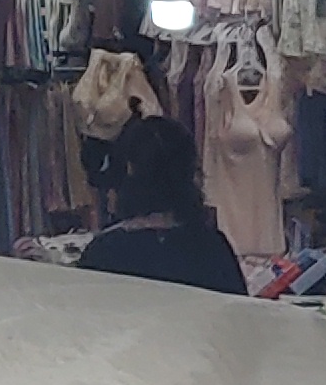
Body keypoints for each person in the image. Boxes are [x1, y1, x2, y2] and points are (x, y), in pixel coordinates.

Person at [77, 117, 247, 295]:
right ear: (189, 173)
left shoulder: (104, 251)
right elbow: (239, 309)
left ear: (128, 169)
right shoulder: (213, 248)